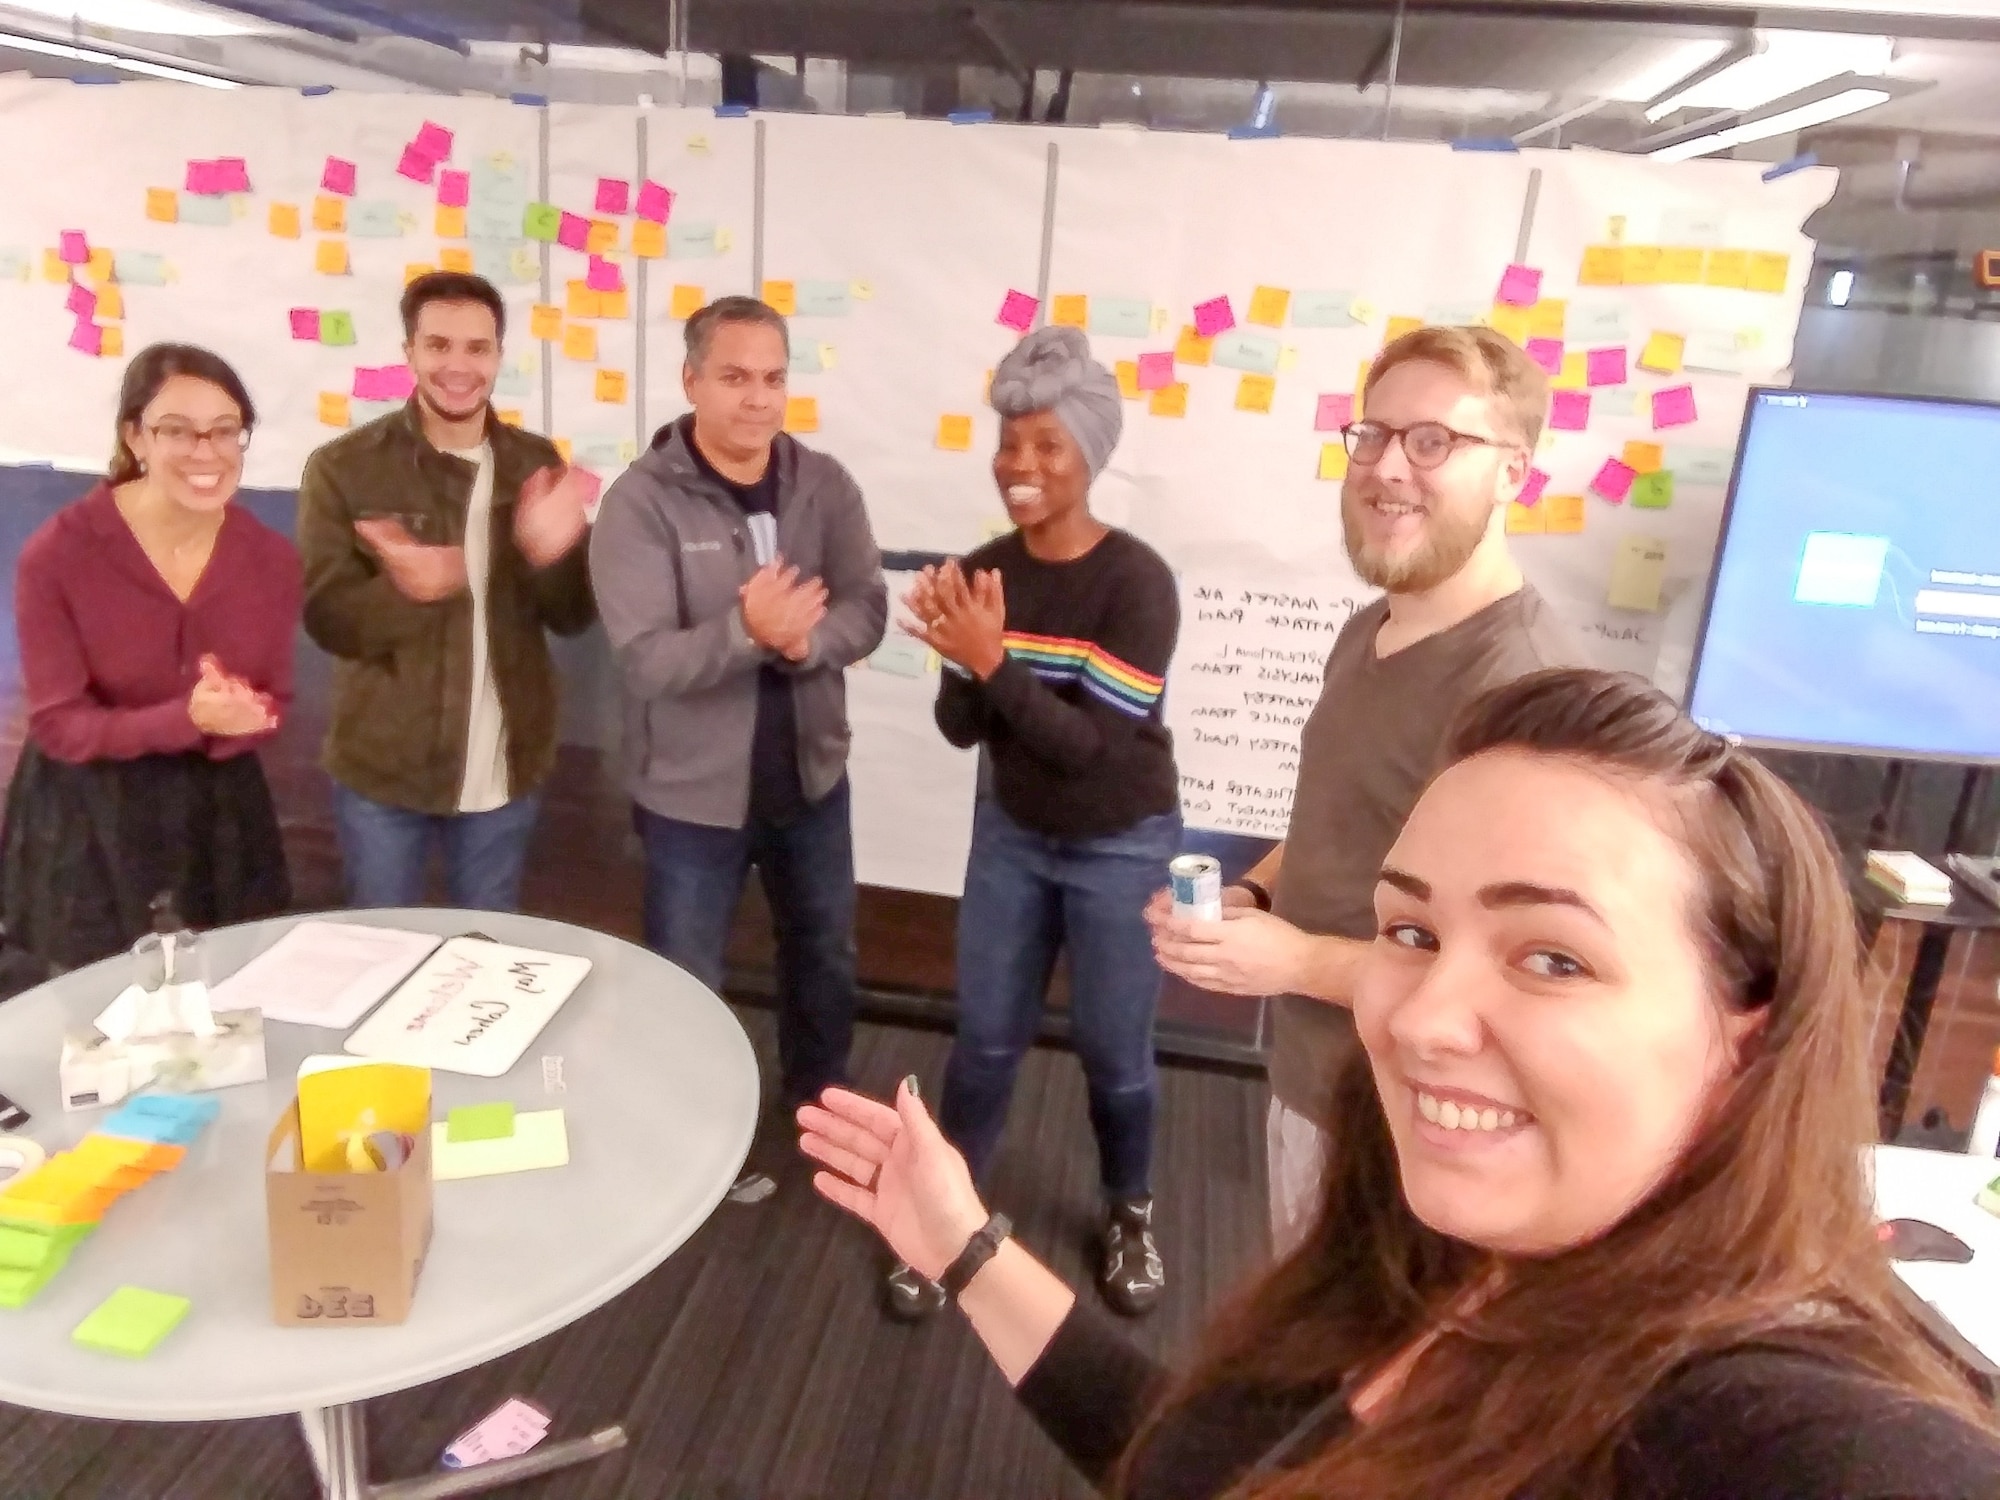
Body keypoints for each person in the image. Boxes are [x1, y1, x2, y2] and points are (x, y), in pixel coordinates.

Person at [800, 668, 2000, 1500]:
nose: (1420, 1019)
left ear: (1748, 1033)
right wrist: (961, 1245)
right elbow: (1207, 1464)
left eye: (1551, 958)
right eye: (1410, 933)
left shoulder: (1753, 1420)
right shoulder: (1428, 1256)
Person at [1148, 325, 1583, 1252]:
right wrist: (1255, 892)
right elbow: (1344, 821)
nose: (1388, 468)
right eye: (1374, 435)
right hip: (1317, 1083)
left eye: (1433, 442)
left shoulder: (1518, 692)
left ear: (1514, 472)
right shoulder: (1372, 628)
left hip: (1416, 1131)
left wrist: (1296, 962)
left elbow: (1508, 978)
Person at [886, 325, 1181, 1323]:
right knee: (984, 1042)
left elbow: (1087, 749)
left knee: (1112, 1048)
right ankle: (943, 1221)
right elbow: (960, 727)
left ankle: (1128, 1210)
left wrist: (991, 658)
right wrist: (961, 658)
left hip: (1117, 838)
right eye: (1010, 442)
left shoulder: (1134, 582)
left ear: (1088, 455)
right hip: (1014, 838)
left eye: (1046, 445)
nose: (1020, 464)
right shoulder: (982, 568)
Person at [591, 296, 885, 1117]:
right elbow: (645, 660)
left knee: (824, 955)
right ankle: (684, 1127)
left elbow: (867, 608)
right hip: (691, 798)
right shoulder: (640, 503)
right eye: (733, 377)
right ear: (692, 380)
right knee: (686, 973)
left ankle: (820, 1107)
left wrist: (805, 643)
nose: (756, 398)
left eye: (772, 378)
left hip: (811, 783)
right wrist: (748, 631)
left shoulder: (824, 486)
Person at [297, 271, 596, 912]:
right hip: (383, 772)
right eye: (438, 345)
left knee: (485, 959)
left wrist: (556, 557)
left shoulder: (534, 463)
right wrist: (406, 591)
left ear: (497, 355)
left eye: (477, 348)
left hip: (505, 772)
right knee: (380, 957)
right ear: (409, 352)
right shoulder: (343, 467)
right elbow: (327, 620)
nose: (458, 366)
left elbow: (571, 618)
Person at [1, 344, 299, 975]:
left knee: (227, 1008)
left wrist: (252, 716)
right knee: (101, 1025)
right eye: (177, 431)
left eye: (225, 431)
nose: (205, 451)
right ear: (135, 435)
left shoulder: (270, 558)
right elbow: (59, 724)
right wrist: (188, 719)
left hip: (218, 815)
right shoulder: (58, 555)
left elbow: (275, 701)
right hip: (91, 816)